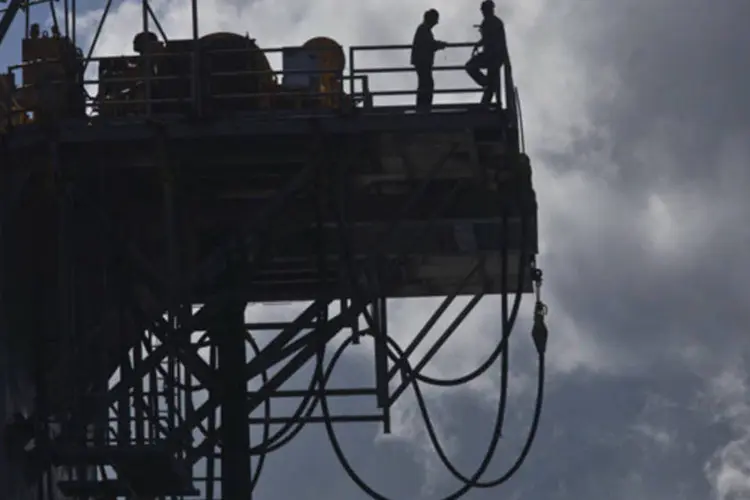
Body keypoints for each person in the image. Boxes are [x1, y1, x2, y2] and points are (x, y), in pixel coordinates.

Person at [465, 0, 509, 106]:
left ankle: (487, 89)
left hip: (493, 55)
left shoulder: (492, 22)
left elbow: (491, 39)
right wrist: (479, 44)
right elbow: (488, 38)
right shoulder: (492, 21)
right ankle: (487, 100)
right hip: (494, 56)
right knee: (492, 81)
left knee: (470, 66)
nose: (483, 12)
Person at [410, 9, 448, 112]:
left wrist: (438, 44)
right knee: (426, 84)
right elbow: (429, 45)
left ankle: (423, 107)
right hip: (423, 62)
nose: (436, 22)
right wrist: (440, 45)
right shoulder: (424, 29)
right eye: (435, 19)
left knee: (425, 84)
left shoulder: (423, 29)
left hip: (421, 61)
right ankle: (424, 108)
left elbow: (429, 44)